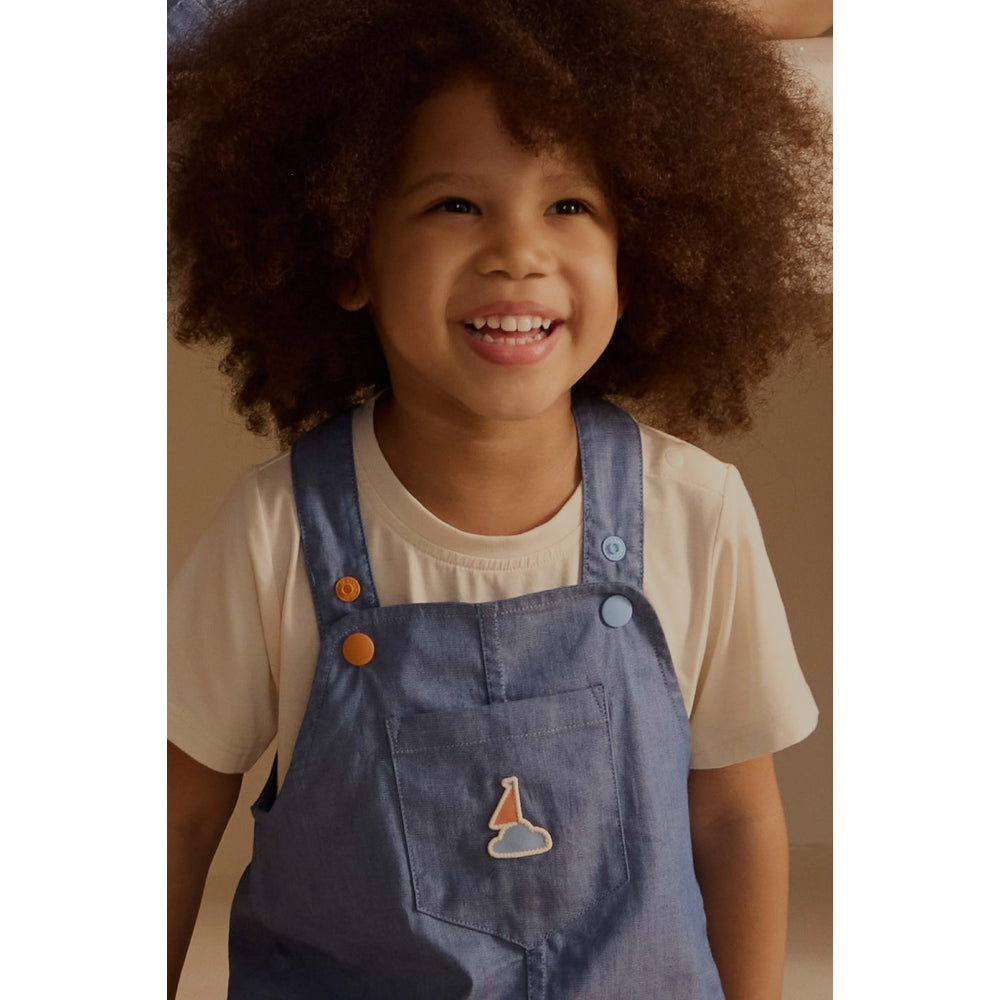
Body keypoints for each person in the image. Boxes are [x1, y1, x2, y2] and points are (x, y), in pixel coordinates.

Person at [167, 1, 831, 997]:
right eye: (454, 205)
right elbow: (175, 812)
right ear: (350, 249)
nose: (517, 251)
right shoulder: (274, 532)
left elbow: (735, 816)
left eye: (569, 206)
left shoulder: (695, 510)